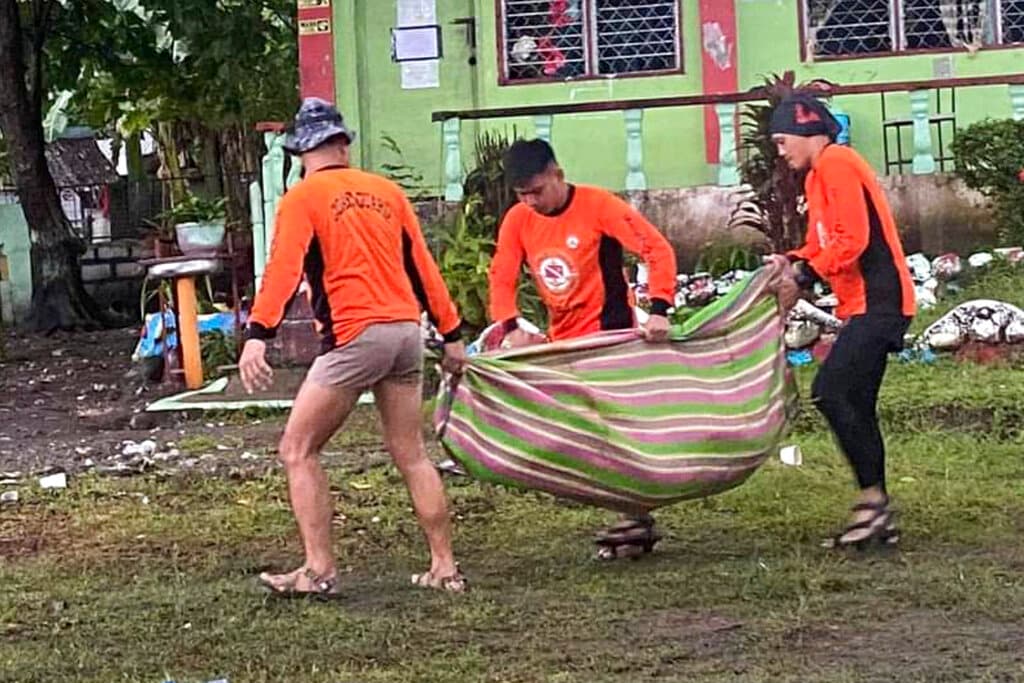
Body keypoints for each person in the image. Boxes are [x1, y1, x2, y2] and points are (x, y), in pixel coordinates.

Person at [239, 98, 468, 597]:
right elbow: (424, 270)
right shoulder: (387, 192)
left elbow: (284, 268)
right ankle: (444, 565)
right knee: (411, 452)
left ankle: (318, 571)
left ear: (302, 151)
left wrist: (258, 334)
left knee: (298, 449)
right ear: (343, 145)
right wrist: (452, 336)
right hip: (407, 333)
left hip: (355, 335)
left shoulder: (303, 197)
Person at [487, 138, 678, 559]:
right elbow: (501, 274)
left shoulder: (598, 207)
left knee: (608, 432)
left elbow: (656, 249)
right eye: (522, 194)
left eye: (537, 191)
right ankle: (633, 515)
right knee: (582, 436)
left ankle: (635, 517)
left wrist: (660, 308)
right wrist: (509, 325)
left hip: (608, 339)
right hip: (562, 345)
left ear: (558, 174)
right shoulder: (519, 219)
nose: (531, 201)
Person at [766, 93, 916, 549]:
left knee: (830, 392)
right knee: (855, 403)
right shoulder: (818, 177)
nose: (780, 150)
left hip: (881, 303)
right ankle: (876, 511)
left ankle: (873, 501)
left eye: (781, 139)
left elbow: (853, 239)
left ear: (806, 131)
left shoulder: (838, 163)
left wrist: (804, 273)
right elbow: (822, 242)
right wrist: (791, 262)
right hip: (862, 306)